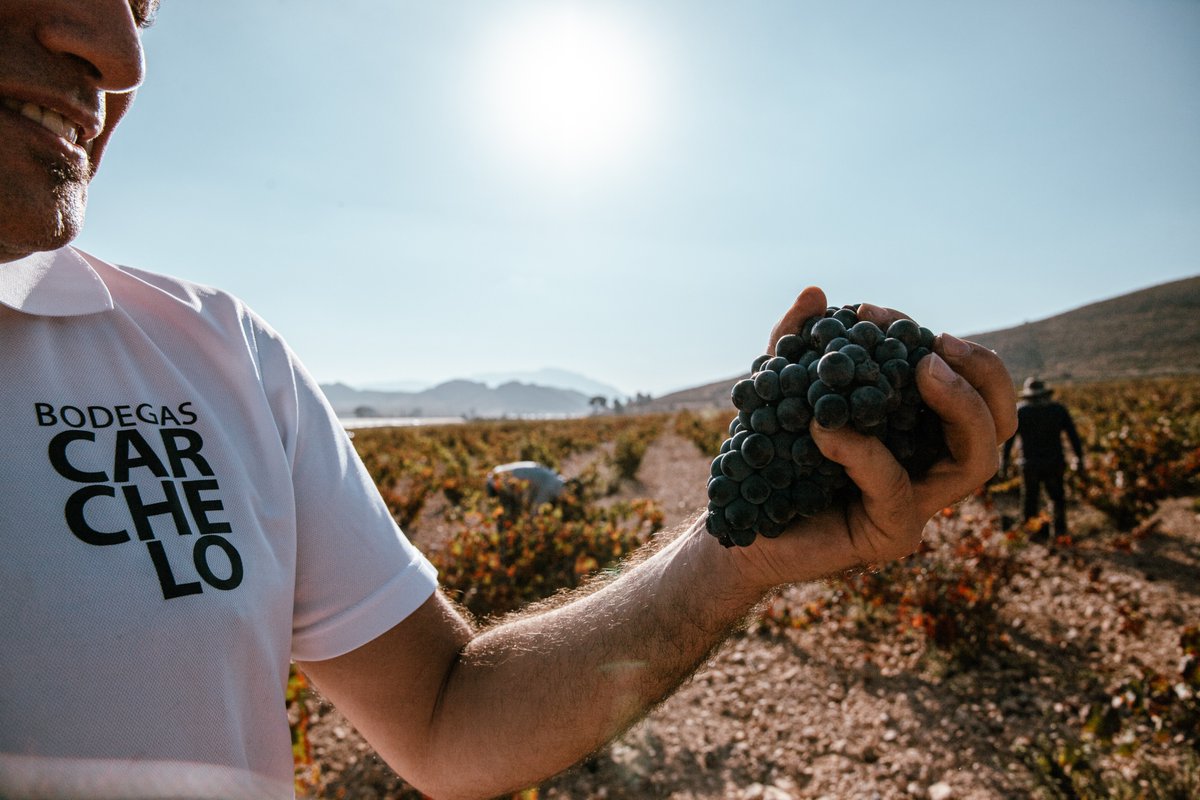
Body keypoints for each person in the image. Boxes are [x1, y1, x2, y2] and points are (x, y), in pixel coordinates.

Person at [0, 3, 1017, 798]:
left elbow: (449, 716)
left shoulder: (219, 359)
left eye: (144, 4)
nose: (120, 54)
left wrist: (734, 551)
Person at [1001, 377, 1085, 539]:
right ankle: (1059, 532)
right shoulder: (1058, 410)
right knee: (1057, 498)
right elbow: (1073, 436)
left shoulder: (1021, 411)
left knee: (1030, 499)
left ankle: (1032, 532)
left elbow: (1009, 441)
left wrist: (1004, 461)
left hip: (1030, 464)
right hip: (1054, 462)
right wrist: (1079, 458)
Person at [485, 460, 567, 529]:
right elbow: (536, 508)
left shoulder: (552, 480)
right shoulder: (552, 486)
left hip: (498, 475)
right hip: (500, 480)